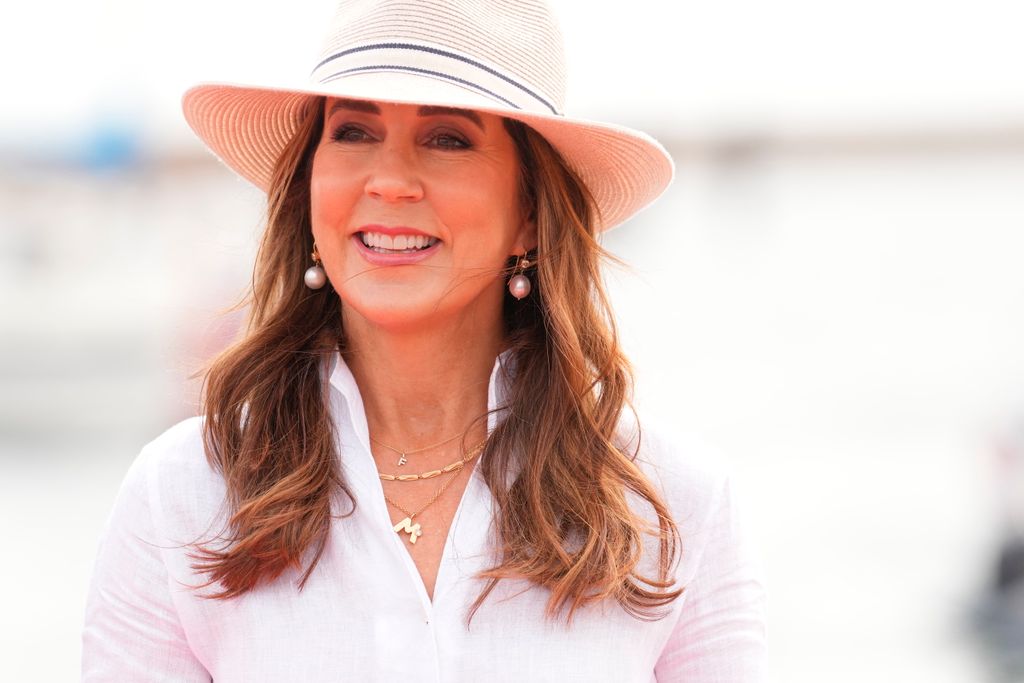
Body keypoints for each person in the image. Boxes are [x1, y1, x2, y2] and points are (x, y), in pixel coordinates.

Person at [81, 0, 767, 680]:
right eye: (352, 132)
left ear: (529, 212)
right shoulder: (180, 496)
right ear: (308, 187)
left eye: (447, 138)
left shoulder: (675, 505)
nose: (389, 180)